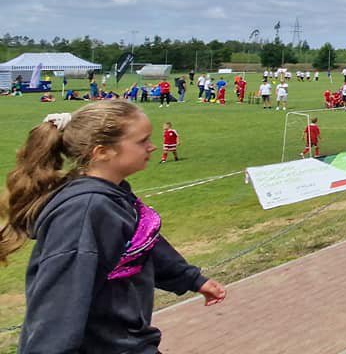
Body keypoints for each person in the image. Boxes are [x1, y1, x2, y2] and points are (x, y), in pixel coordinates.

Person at [3, 102, 226, 352]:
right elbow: (58, 301)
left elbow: (142, 243)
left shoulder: (113, 196)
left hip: (127, 341)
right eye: (142, 141)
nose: (151, 146)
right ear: (102, 152)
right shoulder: (85, 211)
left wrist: (191, 279)